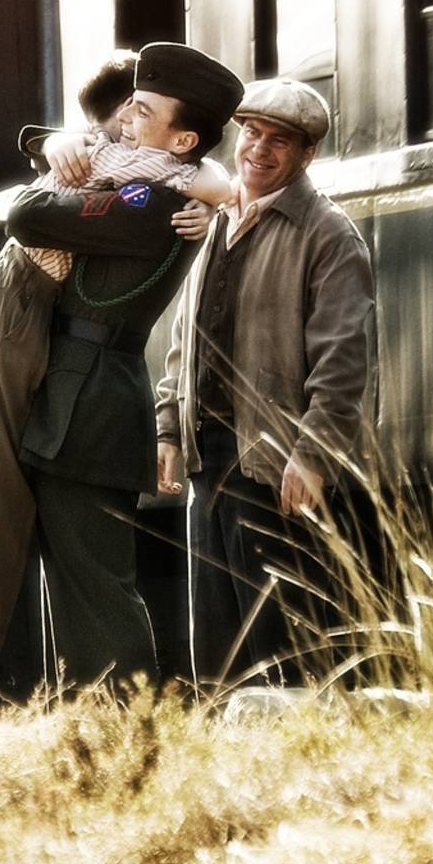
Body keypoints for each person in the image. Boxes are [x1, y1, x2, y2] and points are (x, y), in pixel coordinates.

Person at [0, 50, 233, 710]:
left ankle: (114, 717)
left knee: (82, 571)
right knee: (37, 535)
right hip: (73, 381)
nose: (127, 119)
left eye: (144, 110)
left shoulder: (151, 201)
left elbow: (28, 214)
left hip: (88, 395)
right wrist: (58, 145)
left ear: (182, 140)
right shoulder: (141, 177)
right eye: (129, 106)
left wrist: (66, 159)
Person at [152, 78, 375, 687]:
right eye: (252, 132)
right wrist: (169, 428)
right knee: (217, 656)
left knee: (279, 654)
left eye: (280, 140)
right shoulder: (214, 219)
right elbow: (184, 338)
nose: (259, 148)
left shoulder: (328, 234)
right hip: (206, 457)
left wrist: (312, 455)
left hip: (273, 467)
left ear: (307, 154)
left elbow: (341, 362)